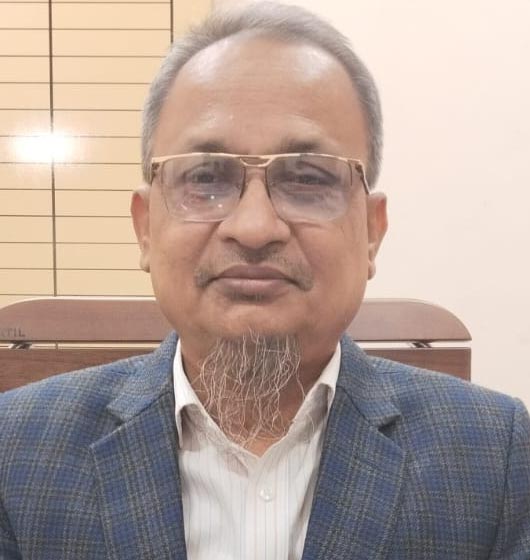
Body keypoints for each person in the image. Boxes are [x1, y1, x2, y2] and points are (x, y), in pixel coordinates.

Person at [1, 2, 529, 558]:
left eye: (307, 179)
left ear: (372, 232)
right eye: (205, 177)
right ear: (145, 228)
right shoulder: (15, 452)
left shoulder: (496, 457)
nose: (254, 227)